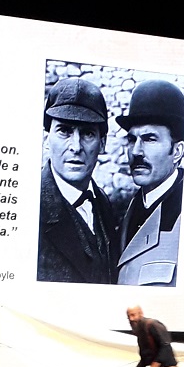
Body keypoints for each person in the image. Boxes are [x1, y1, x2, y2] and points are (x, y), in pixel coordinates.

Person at [37, 76, 120, 282]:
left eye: (88, 133)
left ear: (102, 144)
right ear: (47, 139)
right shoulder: (31, 207)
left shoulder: (103, 205)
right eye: (64, 131)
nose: (76, 147)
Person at [115, 80, 184, 287]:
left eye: (149, 139)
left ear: (177, 151)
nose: (136, 151)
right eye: (132, 140)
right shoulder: (130, 210)